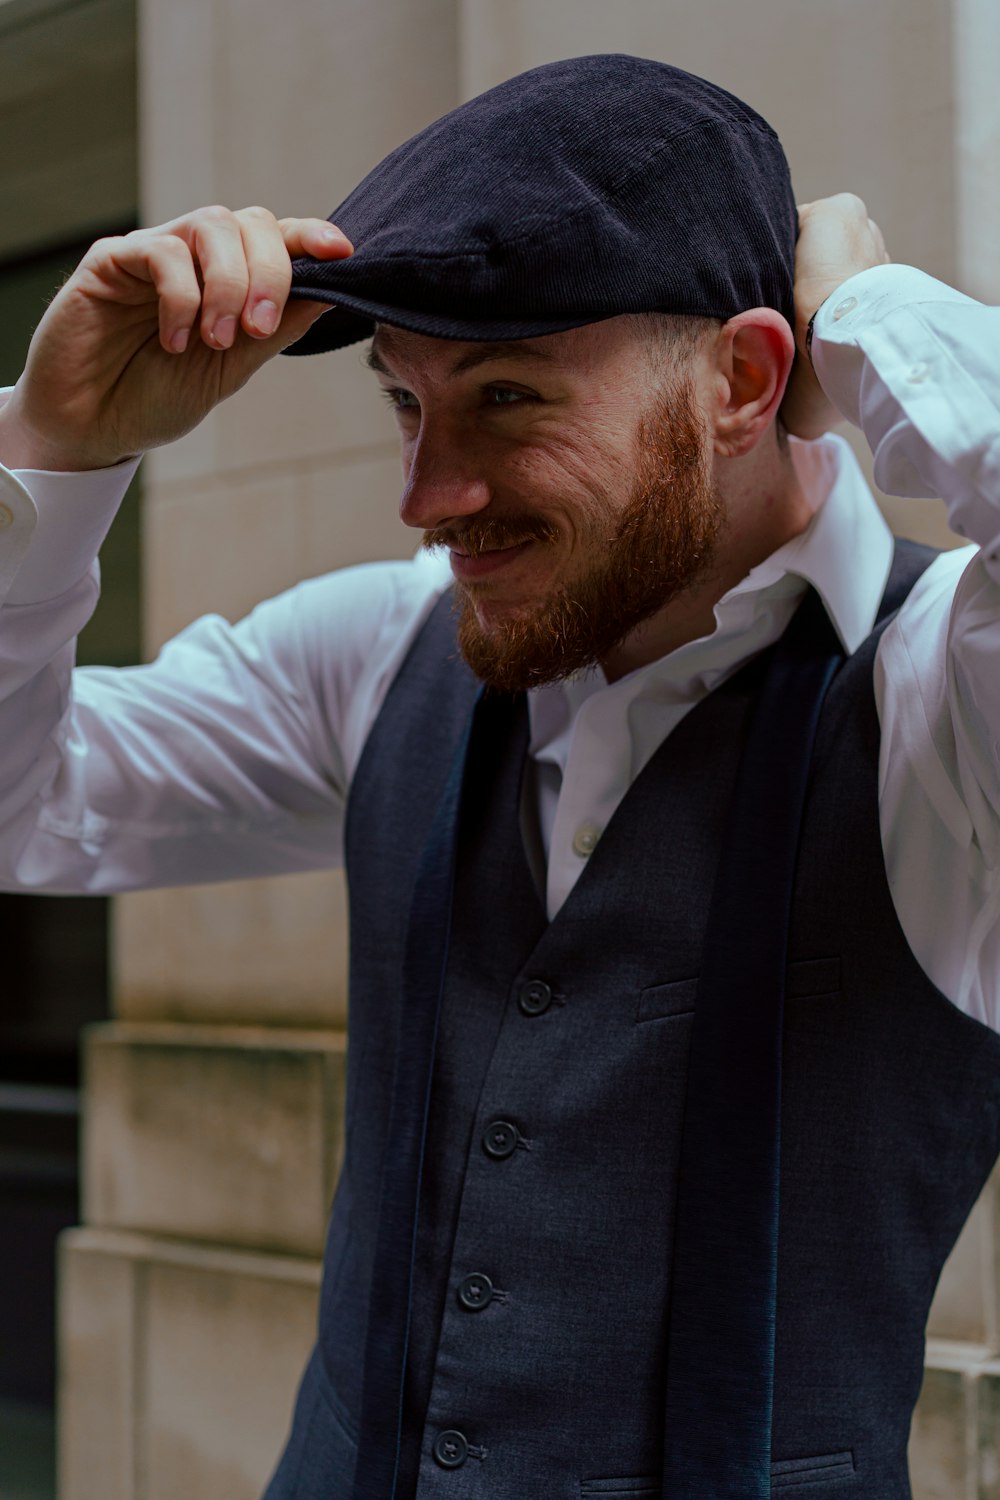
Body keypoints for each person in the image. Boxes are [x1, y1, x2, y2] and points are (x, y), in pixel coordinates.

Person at [0, 52, 998, 1500]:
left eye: (509, 397)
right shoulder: (379, 649)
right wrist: (54, 452)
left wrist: (867, 317)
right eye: (408, 405)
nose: (427, 494)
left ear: (744, 378)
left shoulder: (941, 702)